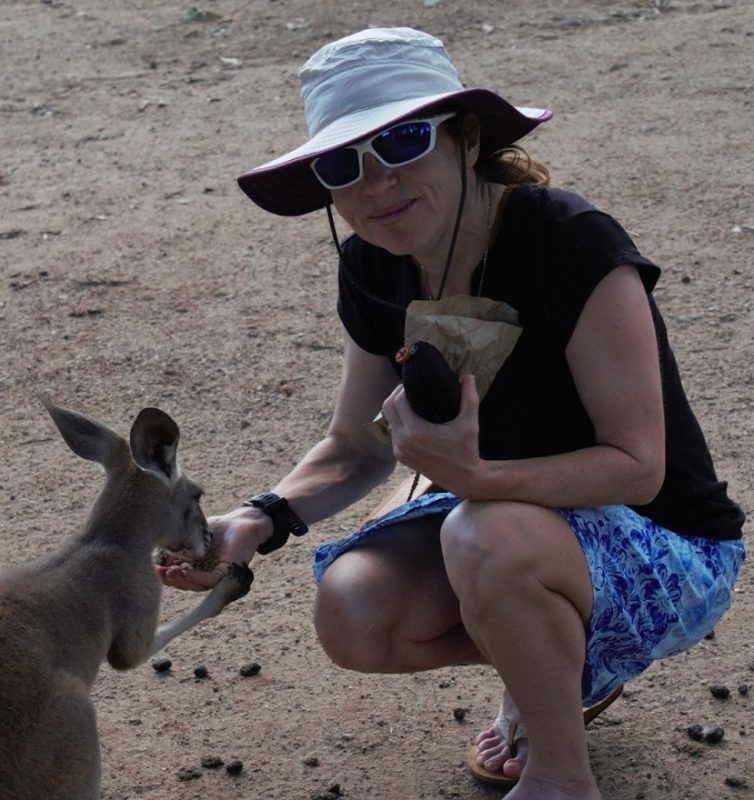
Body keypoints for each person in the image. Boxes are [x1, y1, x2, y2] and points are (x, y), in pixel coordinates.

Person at [158, 27, 746, 800]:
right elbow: (354, 446)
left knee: (483, 529)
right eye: (343, 164)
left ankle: (561, 777)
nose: (375, 185)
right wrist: (257, 519)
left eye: (401, 142)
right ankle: (558, 658)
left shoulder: (570, 244)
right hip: (507, 529)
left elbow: (639, 468)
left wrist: (475, 475)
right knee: (353, 609)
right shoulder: (372, 265)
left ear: (467, 137)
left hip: (666, 545)